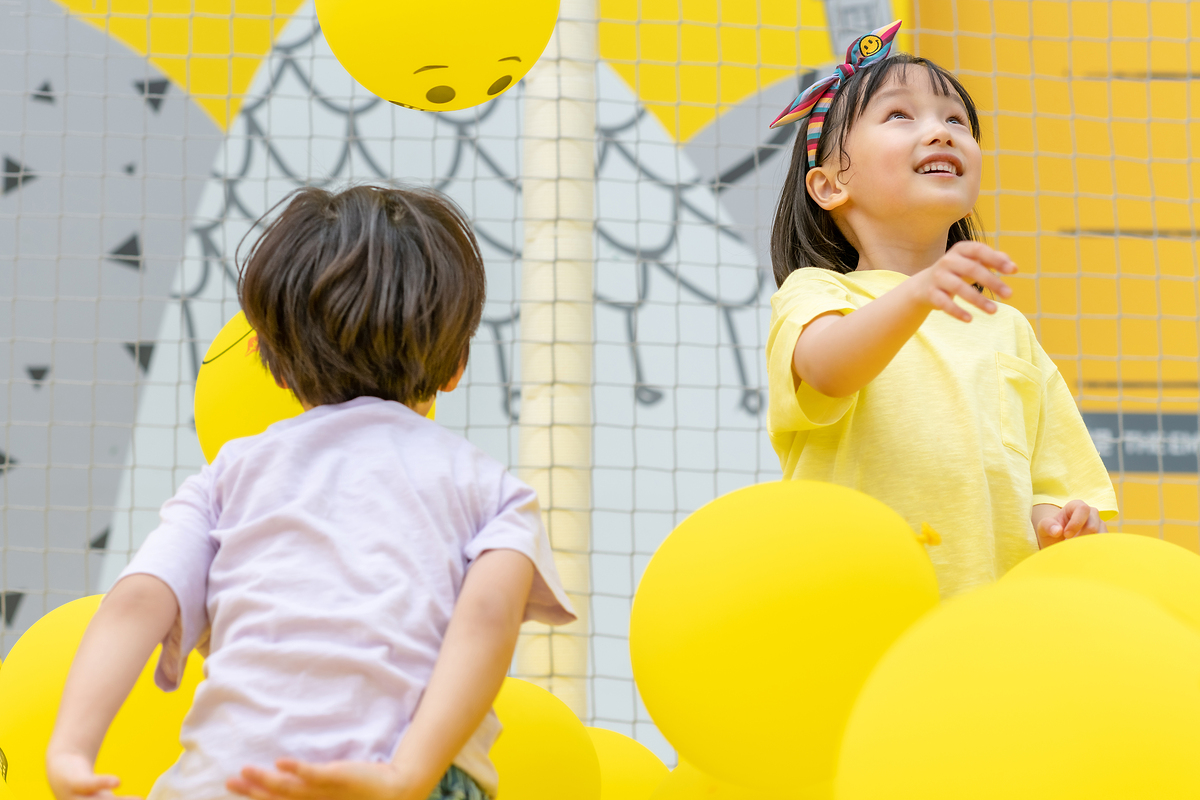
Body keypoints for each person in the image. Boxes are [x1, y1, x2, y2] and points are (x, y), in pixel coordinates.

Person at [46, 185, 575, 800]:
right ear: (457, 364)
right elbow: (487, 619)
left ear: (271, 360)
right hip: (403, 777)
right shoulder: (493, 493)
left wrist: (71, 749)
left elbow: (139, 598)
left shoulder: (228, 477)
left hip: (234, 779)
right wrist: (406, 776)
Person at [766, 21, 1117, 598]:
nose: (941, 132)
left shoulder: (1008, 328)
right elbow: (827, 371)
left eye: (956, 120)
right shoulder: (818, 293)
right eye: (899, 114)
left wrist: (1060, 522)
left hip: (980, 621)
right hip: (854, 607)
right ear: (829, 186)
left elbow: (1049, 485)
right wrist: (919, 292)